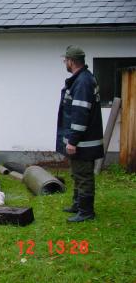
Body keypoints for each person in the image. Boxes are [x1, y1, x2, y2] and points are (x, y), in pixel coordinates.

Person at [56, 46, 104, 222]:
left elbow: (80, 114)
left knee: (83, 175)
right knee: (77, 173)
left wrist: (72, 141)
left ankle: (86, 212)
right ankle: (78, 205)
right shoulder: (82, 79)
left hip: (83, 142)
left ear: (71, 61)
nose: (64, 63)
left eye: (65, 60)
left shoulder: (82, 82)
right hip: (83, 141)